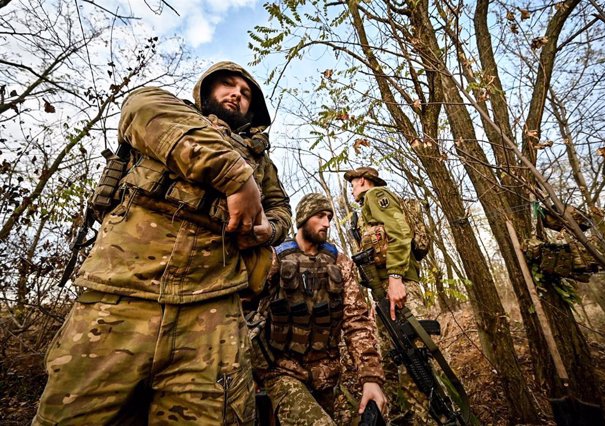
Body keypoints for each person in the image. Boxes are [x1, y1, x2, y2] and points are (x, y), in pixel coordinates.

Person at [33, 61, 291, 425]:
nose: (237, 94)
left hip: (212, 310)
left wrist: (269, 230)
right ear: (206, 91)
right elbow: (139, 109)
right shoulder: (167, 110)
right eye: (228, 85)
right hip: (121, 296)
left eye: (246, 93)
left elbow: (281, 209)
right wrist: (236, 178)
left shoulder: (263, 162)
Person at [251, 193, 386, 425]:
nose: (326, 223)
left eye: (330, 217)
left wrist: (370, 376)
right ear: (303, 219)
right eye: (320, 216)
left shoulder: (339, 262)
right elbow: (248, 312)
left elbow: (357, 322)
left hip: (326, 376)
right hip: (282, 370)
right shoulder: (274, 258)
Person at [344, 166, 429, 424]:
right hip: (384, 294)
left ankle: (429, 418)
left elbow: (400, 231)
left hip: (399, 288)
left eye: (352, 182)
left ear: (362, 180)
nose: (351, 188)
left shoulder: (376, 195)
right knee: (395, 360)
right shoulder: (363, 212)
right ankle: (405, 417)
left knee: (415, 362)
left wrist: (395, 278)